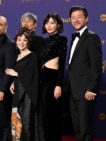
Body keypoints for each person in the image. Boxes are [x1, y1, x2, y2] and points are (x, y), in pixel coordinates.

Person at [67, 6, 102, 141]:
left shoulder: (92, 38)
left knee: (85, 127)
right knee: (77, 126)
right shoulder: (75, 38)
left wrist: (92, 89)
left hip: (85, 91)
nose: (76, 20)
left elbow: (96, 65)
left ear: (86, 18)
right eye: (73, 18)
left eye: (79, 17)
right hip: (73, 90)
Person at [5, 27, 45, 141]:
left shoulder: (32, 56)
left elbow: (33, 76)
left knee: (25, 121)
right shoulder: (17, 56)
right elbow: (22, 74)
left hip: (28, 95)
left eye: (24, 40)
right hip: (18, 92)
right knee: (15, 120)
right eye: (19, 39)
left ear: (28, 42)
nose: (21, 42)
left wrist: (16, 74)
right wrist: (14, 82)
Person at [40, 12, 67, 141]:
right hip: (42, 80)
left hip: (52, 80)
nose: (49, 25)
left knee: (52, 115)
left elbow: (61, 63)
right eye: (47, 23)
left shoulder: (62, 40)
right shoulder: (43, 41)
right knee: (43, 115)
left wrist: (58, 84)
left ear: (58, 25)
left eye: (52, 22)